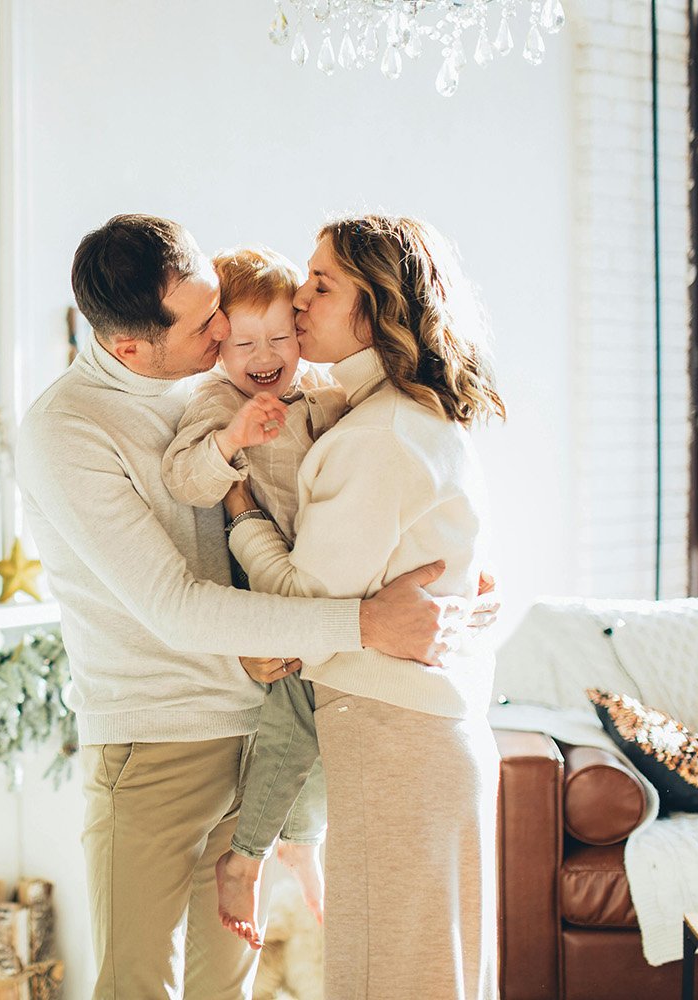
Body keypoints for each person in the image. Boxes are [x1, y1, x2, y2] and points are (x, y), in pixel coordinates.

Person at [14, 214, 475, 1000]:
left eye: (216, 305)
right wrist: (364, 623)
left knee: (228, 988)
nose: (226, 328)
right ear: (130, 347)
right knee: (137, 986)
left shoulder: (210, 381)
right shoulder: (68, 429)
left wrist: (454, 591)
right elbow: (176, 606)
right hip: (156, 742)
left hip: (256, 723)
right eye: (204, 323)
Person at [223, 214, 506, 1000]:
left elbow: (301, 615)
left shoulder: (381, 436)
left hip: (396, 745)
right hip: (419, 742)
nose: (298, 300)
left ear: (377, 306)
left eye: (322, 284)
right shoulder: (403, 419)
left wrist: (243, 516)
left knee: (391, 980)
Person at [161, 246, 345, 941]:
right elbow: (184, 481)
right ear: (219, 346)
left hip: (316, 572)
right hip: (266, 582)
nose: (264, 355)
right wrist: (233, 439)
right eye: (244, 342)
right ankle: (253, 854)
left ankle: (297, 839)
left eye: (280, 338)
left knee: (326, 714)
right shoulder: (216, 400)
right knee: (298, 711)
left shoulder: (321, 388)